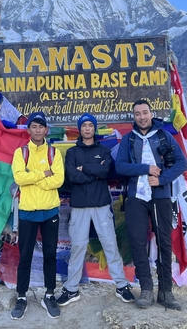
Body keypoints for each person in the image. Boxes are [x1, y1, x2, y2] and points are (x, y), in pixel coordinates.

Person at [115, 99, 187, 310]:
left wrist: (163, 178)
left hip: (160, 196)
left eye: (145, 112)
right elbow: (120, 166)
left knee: (164, 242)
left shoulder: (164, 135)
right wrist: (145, 168)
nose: (142, 117)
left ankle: (165, 291)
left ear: (151, 113)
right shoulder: (128, 140)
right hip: (135, 197)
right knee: (137, 242)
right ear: (134, 117)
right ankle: (146, 289)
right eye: (137, 114)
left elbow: (181, 163)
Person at [57, 113, 135, 307]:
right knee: (78, 247)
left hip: (101, 205)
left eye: (91, 125)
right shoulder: (73, 153)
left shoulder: (104, 150)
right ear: (80, 129)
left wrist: (85, 169)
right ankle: (71, 289)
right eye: (84, 126)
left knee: (110, 244)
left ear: (94, 128)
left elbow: (105, 172)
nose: (88, 128)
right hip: (80, 206)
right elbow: (72, 176)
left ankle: (121, 285)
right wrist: (93, 172)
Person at [10, 111, 65, 320]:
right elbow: (19, 178)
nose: (38, 130)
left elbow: (58, 180)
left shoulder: (54, 153)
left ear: (46, 130)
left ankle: (49, 294)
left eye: (41, 127)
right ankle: (21, 296)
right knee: (25, 256)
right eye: (34, 126)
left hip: (50, 210)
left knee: (50, 254)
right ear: (29, 129)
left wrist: (33, 178)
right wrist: (43, 174)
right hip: (27, 211)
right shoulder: (20, 153)